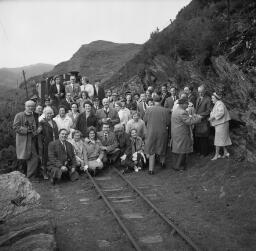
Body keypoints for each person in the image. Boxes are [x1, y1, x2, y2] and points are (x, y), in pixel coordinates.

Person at [171, 98, 202, 171]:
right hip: (182, 133)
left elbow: (186, 119)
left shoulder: (175, 110)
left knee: (177, 149)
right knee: (182, 150)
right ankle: (179, 166)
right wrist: (198, 118)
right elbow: (189, 122)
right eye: (186, 104)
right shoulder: (182, 112)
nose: (188, 105)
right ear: (182, 104)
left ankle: (176, 165)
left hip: (176, 132)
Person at [13, 100, 40, 179]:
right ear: (25, 107)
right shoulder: (19, 115)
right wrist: (26, 130)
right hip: (23, 141)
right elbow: (15, 127)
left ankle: (30, 176)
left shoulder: (34, 116)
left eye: (32, 106)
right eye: (29, 106)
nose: (31, 108)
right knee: (23, 159)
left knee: (34, 158)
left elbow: (35, 127)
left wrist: (36, 131)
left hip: (32, 140)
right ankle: (23, 176)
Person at [144, 95, 170, 174]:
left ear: (153, 101)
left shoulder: (149, 110)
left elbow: (144, 120)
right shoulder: (165, 110)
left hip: (151, 132)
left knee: (152, 150)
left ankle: (151, 170)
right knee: (162, 147)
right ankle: (162, 163)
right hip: (162, 132)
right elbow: (168, 122)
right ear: (161, 101)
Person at [209, 92, 232, 160]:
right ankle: (226, 153)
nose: (211, 99)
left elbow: (221, 112)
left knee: (218, 139)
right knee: (222, 139)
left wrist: (213, 117)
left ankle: (217, 155)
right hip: (221, 124)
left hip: (222, 124)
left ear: (216, 98)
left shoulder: (219, 103)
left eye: (213, 98)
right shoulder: (217, 103)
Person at [39, 107, 59, 179]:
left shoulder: (54, 122)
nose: (49, 115)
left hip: (54, 142)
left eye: (50, 113)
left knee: (53, 157)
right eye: (48, 113)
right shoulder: (42, 122)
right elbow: (39, 133)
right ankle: (44, 173)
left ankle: (52, 172)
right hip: (46, 143)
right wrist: (43, 140)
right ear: (44, 114)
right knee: (45, 158)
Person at [194, 85, 212, 156]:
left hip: (204, 121)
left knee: (204, 138)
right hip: (198, 121)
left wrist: (200, 115)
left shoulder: (208, 99)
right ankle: (200, 151)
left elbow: (209, 111)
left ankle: (205, 153)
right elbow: (196, 108)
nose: (200, 93)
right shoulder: (198, 98)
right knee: (199, 137)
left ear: (205, 91)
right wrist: (195, 114)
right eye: (199, 92)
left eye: (201, 92)